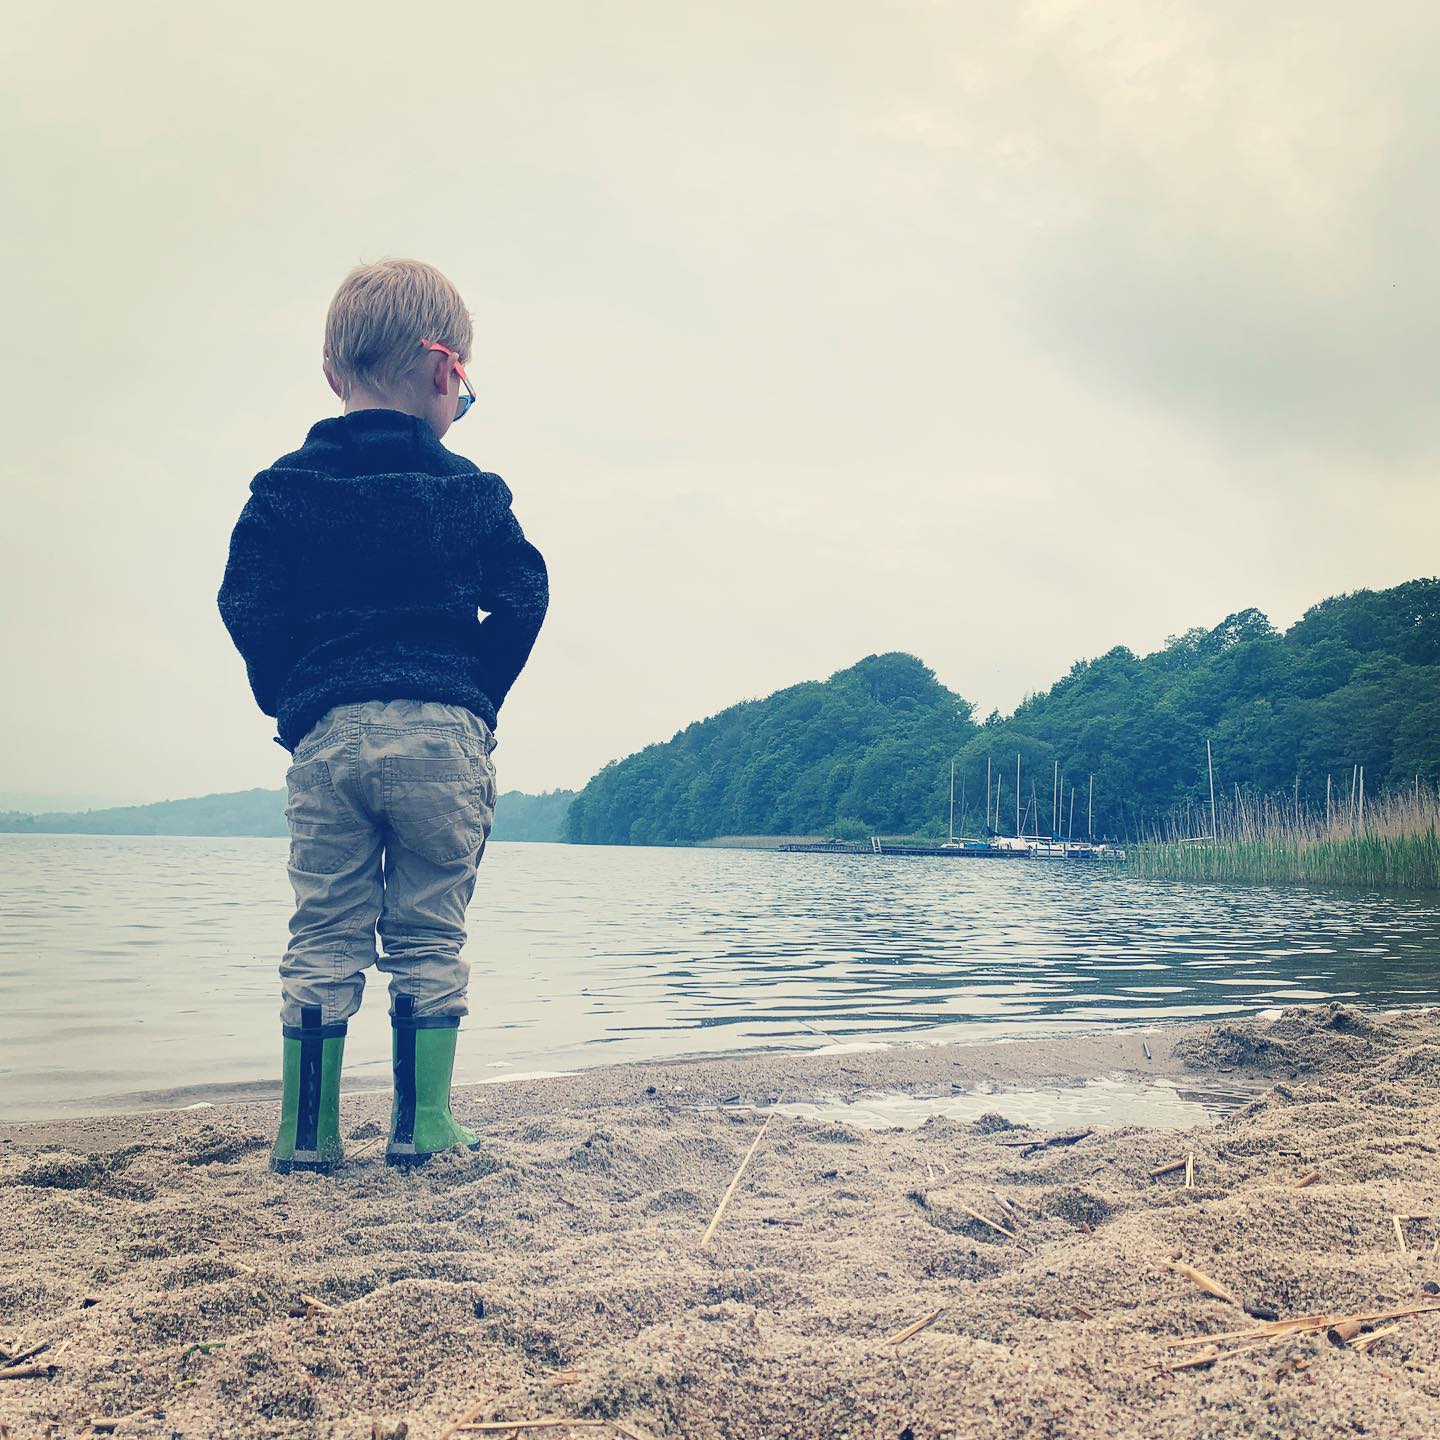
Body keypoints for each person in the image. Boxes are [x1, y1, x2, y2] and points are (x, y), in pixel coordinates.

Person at [218, 257, 549, 1173]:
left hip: (329, 735)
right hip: (444, 738)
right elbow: (525, 595)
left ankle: (307, 1135)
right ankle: (422, 1126)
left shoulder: (283, 490)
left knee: (323, 932)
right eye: (465, 390)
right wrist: (474, 692)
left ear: (333, 371)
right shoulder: (469, 489)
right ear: (445, 372)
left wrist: (293, 698)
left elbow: (246, 603)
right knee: (429, 931)